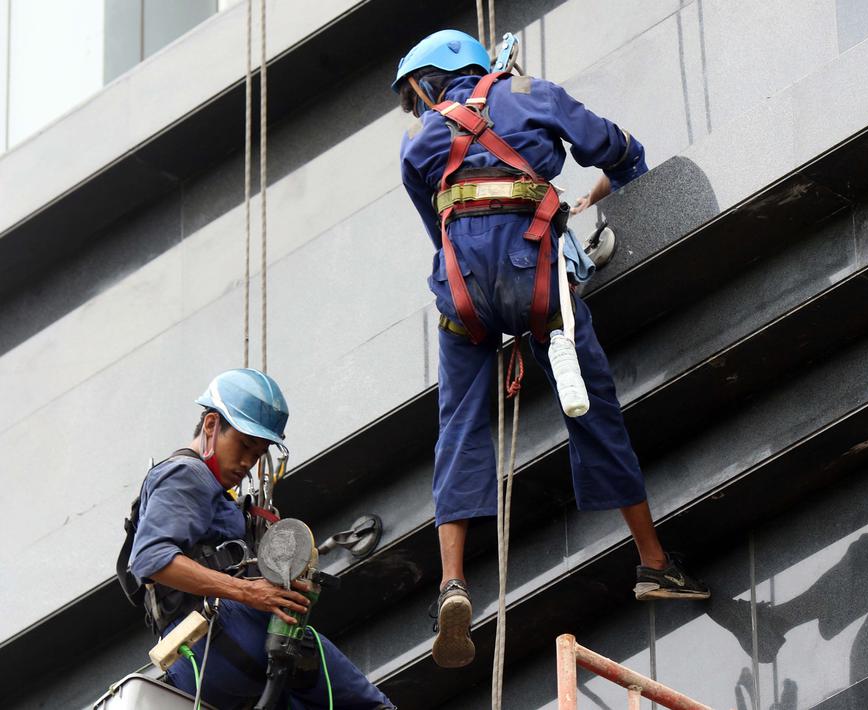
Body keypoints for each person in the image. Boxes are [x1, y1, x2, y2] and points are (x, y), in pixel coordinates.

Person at [393, 29, 710, 670]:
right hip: (538, 285)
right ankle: (654, 562)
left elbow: (441, 233)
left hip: (464, 300)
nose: (416, 107)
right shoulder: (533, 93)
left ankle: (453, 583)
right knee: (593, 410)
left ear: (428, 84)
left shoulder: (418, 143)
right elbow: (618, 148)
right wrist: (624, 188)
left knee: (458, 427)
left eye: (414, 95)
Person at [127, 368, 394, 709]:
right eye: (243, 445)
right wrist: (249, 592)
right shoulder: (186, 473)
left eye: (257, 453)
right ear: (211, 425)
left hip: (198, 666)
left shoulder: (215, 494)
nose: (247, 462)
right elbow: (151, 559)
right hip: (228, 631)